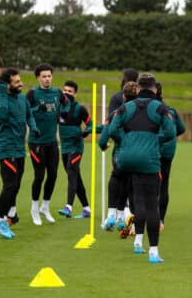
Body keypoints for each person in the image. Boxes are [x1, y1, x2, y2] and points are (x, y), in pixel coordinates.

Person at [101, 73, 175, 263]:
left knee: (132, 196)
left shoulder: (124, 107)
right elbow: (171, 132)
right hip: (148, 159)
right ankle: (153, 252)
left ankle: (133, 238)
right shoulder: (160, 108)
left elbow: (110, 130)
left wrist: (125, 142)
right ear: (154, 89)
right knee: (151, 203)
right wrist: (154, 141)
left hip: (124, 159)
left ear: (138, 88)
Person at [0, 67, 39, 238]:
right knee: (9, 185)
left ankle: (10, 216)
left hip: (19, 150)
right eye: (17, 82)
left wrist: (33, 127)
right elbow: (2, 116)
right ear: (7, 85)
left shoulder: (22, 98)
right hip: (6, 149)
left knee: (16, 185)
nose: (21, 84)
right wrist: (3, 94)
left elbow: (29, 115)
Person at [27, 63, 67, 225]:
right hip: (36, 143)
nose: (47, 79)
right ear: (38, 78)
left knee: (53, 175)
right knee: (39, 176)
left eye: (49, 76)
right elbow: (24, 112)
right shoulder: (32, 95)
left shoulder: (57, 93)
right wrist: (38, 108)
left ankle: (45, 206)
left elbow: (67, 105)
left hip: (52, 142)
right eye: (43, 76)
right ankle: (34, 209)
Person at [100, 81, 138, 232]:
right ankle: (125, 218)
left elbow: (104, 136)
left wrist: (104, 145)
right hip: (137, 152)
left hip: (119, 153)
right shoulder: (140, 113)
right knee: (130, 183)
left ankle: (111, 214)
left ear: (123, 95)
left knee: (116, 177)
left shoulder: (116, 112)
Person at [57, 80, 93, 219]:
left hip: (76, 146)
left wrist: (85, 132)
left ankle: (68, 207)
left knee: (72, 172)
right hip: (64, 147)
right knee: (76, 178)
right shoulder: (58, 107)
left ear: (75, 93)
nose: (66, 93)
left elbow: (91, 124)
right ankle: (87, 209)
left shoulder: (80, 108)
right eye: (65, 91)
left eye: (70, 91)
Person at [155, 81, 186, 229]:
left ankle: (145, 217)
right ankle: (160, 219)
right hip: (168, 151)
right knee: (164, 184)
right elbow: (181, 129)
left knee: (146, 184)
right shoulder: (170, 110)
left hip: (152, 150)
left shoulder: (148, 109)